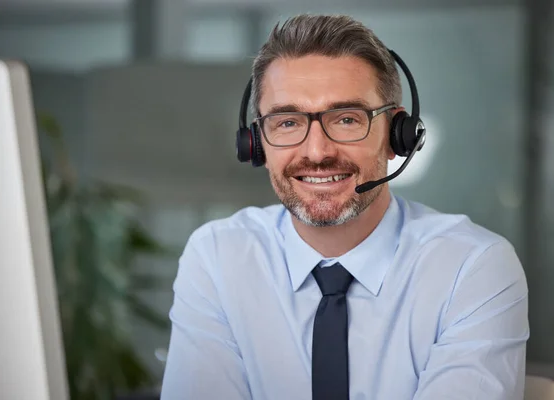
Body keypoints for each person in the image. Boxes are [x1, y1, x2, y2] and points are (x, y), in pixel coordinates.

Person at [160, 14, 529, 400]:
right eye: (287, 123)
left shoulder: (471, 266)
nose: (317, 152)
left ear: (398, 136)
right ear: (255, 144)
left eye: (348, 119)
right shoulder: (218, 257)